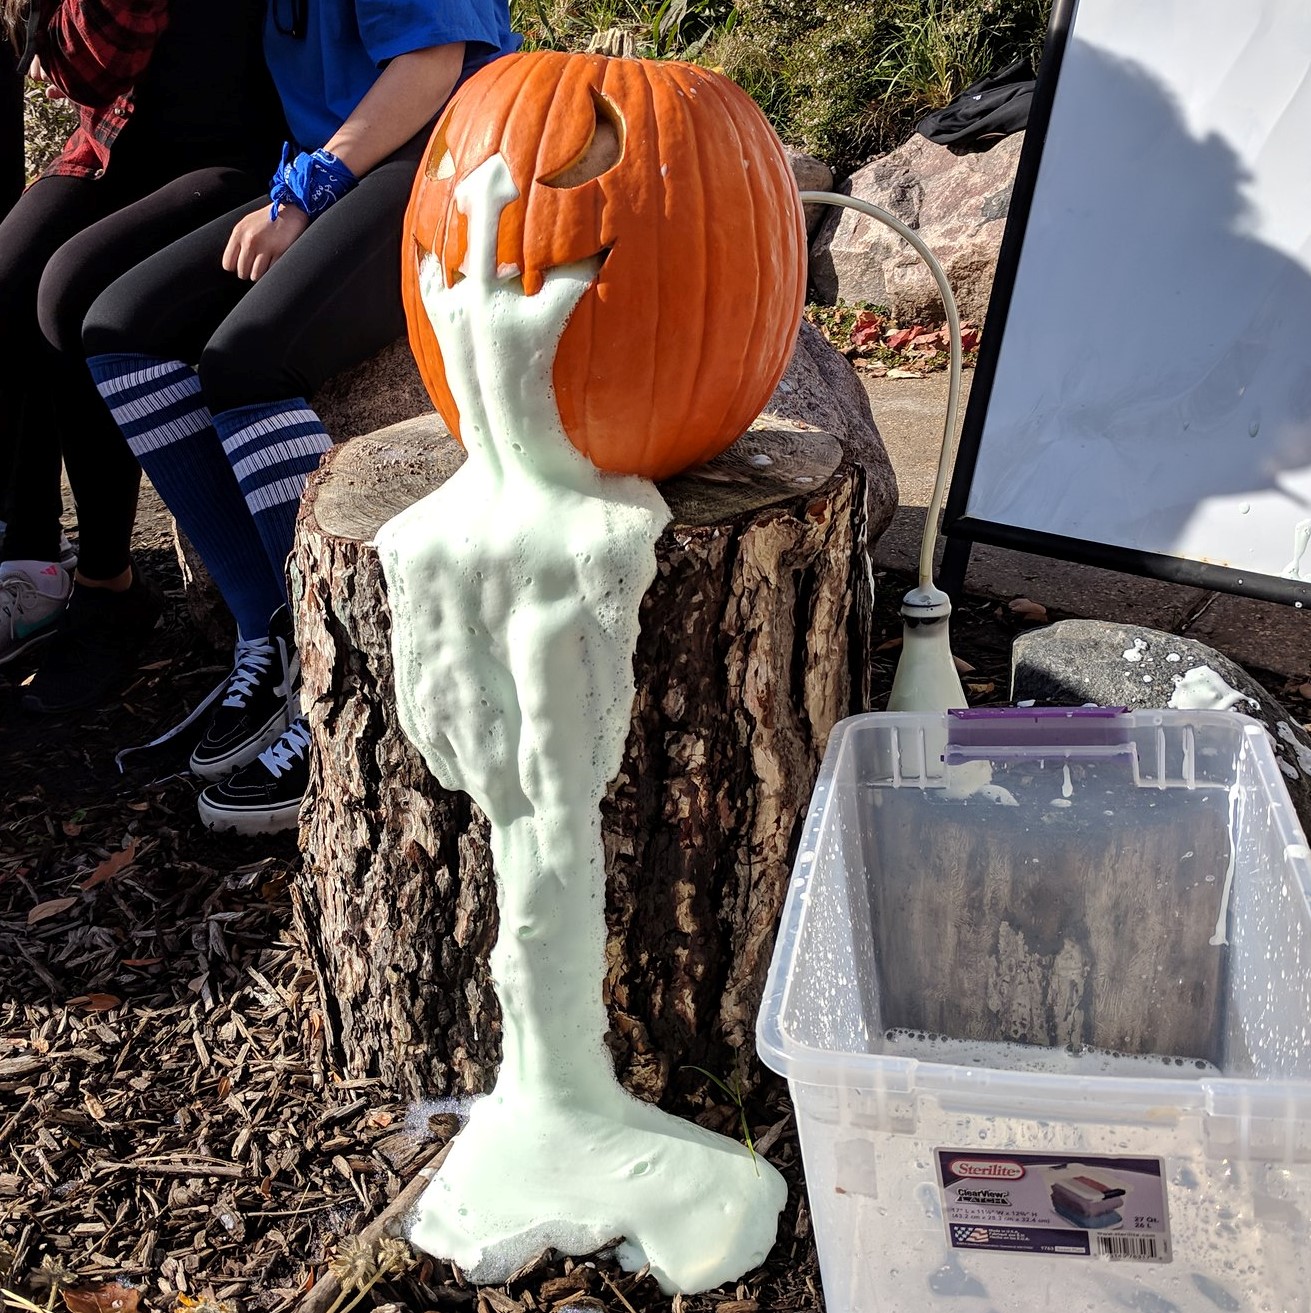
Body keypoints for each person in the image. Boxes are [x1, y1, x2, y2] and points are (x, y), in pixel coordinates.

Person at [24, 0, 519, 836]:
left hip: (443, 155)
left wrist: (310, 188)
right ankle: (276, 633)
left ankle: (348, 686)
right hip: (317, 168)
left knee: (246, 362)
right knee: (121, 328)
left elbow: (434, 64)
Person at [0, 0, 284, 668]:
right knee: (8, 281)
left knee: (70, 293)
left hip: (242, 150)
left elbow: (88, 66)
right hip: (119, 144)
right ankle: (29, 564)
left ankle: (108, 585)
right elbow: (73, 69)